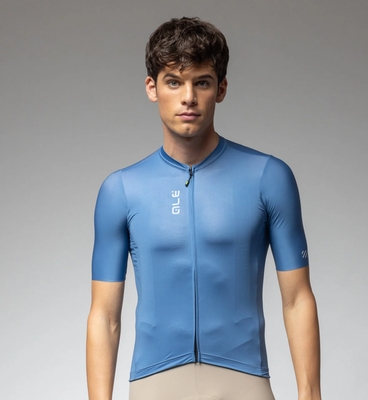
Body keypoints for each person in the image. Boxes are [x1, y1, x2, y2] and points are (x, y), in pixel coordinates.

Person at [86, 17, 321, 400]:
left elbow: (297, 299)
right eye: (174, 82)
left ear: (221, 88)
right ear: (152, 88)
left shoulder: (268, 177)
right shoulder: (122, 190)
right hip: (153, 384)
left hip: (244, 381)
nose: (188, 98)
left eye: (202, 82)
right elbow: (104, 315)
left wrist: (310, 395)